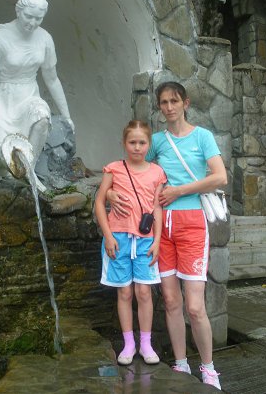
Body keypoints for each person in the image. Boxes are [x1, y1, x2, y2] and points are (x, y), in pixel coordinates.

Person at [108, 82, 227, 390]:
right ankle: (181, 363)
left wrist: (178, 191)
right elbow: (133, 169)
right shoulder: (157, 140)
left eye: (174, 101)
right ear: (159, 107)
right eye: (164, 102)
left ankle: (209, 368)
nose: (169, 107)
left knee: (195, 307)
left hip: (191, 222)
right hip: (160, 228)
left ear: (185, 103)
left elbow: (220, 176)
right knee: (172, 301)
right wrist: (109, 193)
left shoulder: (202, 136)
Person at [0, 0, 74, 186]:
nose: (32, 23)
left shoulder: (45, 39)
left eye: (38, 18)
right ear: (18, 11)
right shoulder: (0, 37)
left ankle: (28, 171)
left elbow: (52, 79)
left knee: (42, 118)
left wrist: (67, 115)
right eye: (28, 16)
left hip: (29, 95)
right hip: (4, 99)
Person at [94, 120, 167, 366]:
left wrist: (157, 241)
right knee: (124, 292)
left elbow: (157, 208)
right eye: (132, 142)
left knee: (144, 292)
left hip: (145, 240)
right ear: (124, 143)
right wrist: (108, 236)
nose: (137, 147)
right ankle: (128, 344)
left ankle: (145, 344)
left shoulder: (157, 172)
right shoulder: (113, 169)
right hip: (119, 238)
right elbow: (99, 203)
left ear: (149, 144)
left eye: (142, 142)